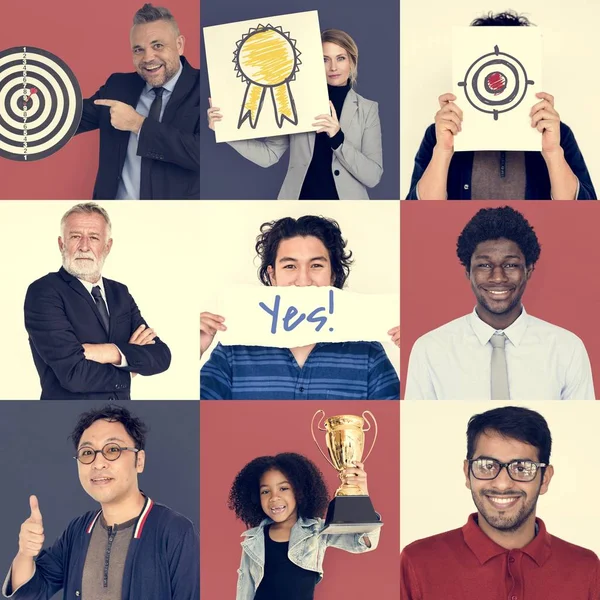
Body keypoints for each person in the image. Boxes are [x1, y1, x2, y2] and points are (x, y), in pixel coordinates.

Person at [1, 404, 200, 599]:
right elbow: (31, 593)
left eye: (112, 449)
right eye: (87, 453)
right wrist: (25, 553)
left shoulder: (175, 531)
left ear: (139, 461)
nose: (98, 463)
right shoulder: (78, 530)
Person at [400, 406, 600, 599]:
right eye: (487, 466)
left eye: (522, 468)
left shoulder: (587, 569)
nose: (503, 484)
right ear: (467, 474)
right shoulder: (417, 563)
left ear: (544, 479)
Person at [200, 215, 400, 399]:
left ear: (333, 275)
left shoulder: (367, 352)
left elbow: (398, 428)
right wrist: (193, 351)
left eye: (316, 266)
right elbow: (192, 426)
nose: (303, 281)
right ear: (272, 275)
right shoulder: (234, 350)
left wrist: (414, 354)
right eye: (290, 266)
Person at [405, 206, 594, 400]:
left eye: (510, 265)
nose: (497, 277)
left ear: (528, 270)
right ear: (468, 272)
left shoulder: (567, 348)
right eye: (484, 265)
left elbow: (581, 427)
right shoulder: (430, 349)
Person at [406, 10, 596, 200]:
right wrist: (443, 151)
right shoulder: (439, 134)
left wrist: (553, 152)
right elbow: (417, 220)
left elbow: (585, 220)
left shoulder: (557, 134)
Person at [207, 29, 382, 200]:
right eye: (324, 59)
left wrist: (338, 138)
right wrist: (226, 131)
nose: (333, 67)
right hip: (298, 201)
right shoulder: (296, 102)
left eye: (341, 58)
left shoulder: (367, 109)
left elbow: (373, 176)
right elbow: (269, 155)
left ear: (352, 61)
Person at [24, 202, 171, 400]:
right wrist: (129, 364)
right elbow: (74, 374)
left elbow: (161, 356)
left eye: (93, 237)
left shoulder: (120, 292)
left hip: (121, 417)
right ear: (61, 244)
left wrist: (110, 352)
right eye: (76, 236)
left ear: (107, 246)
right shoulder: (44, 292)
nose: (84, 246)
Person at [76, 3, 200, 200]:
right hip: (115, 216)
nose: (148, 57)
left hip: (176, 221)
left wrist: (138, 124)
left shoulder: (206, 88)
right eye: (138, 49)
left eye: (157, 45)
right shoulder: (118, 86)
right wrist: (29, 101)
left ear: (179, 44)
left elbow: (204, 156)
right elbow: (68, 119)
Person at [230, 452, 380, 600]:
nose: (274, 497)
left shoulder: (317, 531)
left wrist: (361, 491)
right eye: (265, 491)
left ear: (300, 491)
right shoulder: (253, 540)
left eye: (283, 488)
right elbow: (245, 591)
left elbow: (364, 542)